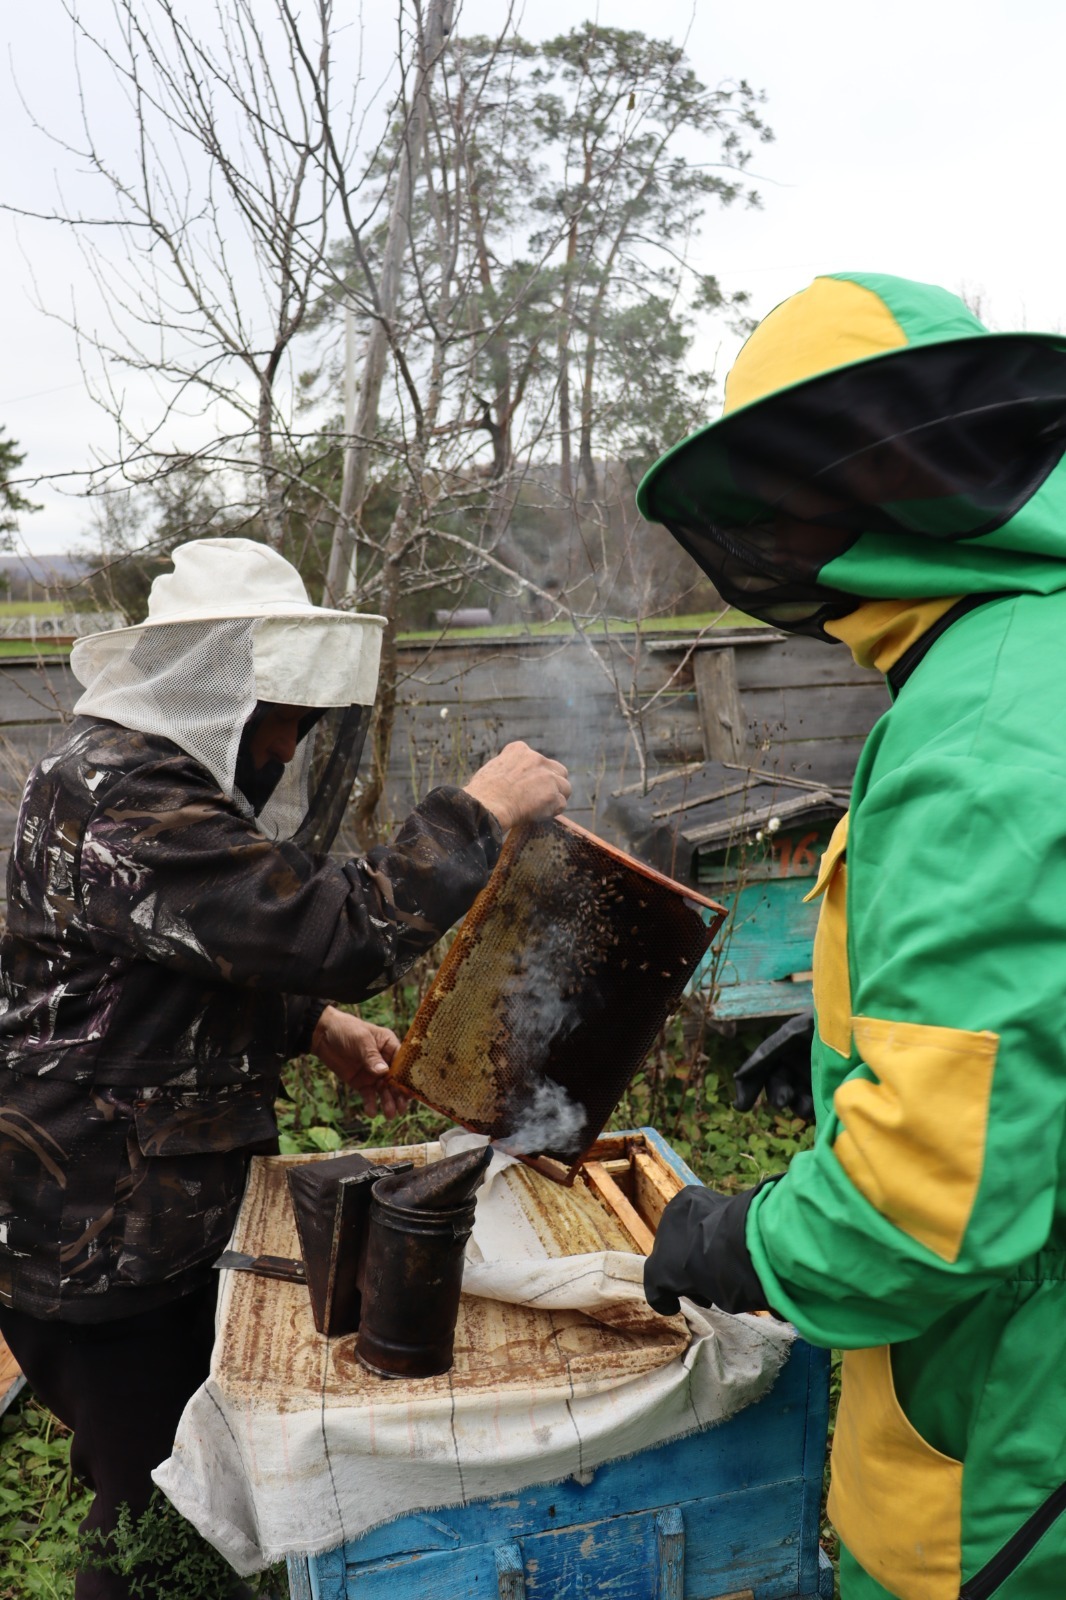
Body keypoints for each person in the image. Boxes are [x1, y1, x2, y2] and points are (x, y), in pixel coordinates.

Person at [0, 537, 570, 1599]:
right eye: (285, 709)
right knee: (159, 1517)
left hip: (120, 1214)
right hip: (102, 1244)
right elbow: (331, 926)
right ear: (224, 680)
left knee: (166, 1485)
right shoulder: (129, 795)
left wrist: (312, 1022)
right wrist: (476, 815)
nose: (296, 736)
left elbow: (183, 952)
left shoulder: (124, 773)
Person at [638, 274, 1066, 1599]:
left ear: (877, 471)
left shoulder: (982, 735)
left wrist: (741, 1243)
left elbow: (920, 1202)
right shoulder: (1026, 659)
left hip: (1000, 1473)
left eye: (785, 481)